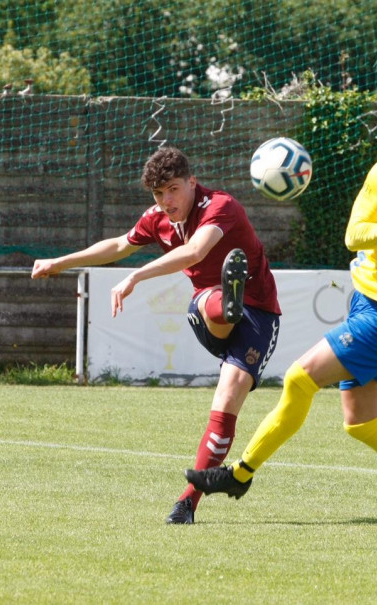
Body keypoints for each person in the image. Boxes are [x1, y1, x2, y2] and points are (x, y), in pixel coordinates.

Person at [186, 119, 377, 549]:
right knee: (362, 423)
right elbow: (354, 236)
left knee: (299, 378)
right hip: (367, 305)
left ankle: (240, 475)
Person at [32, 146, 281, 525]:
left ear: (192, 183)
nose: (167, 201)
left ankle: (187, 504)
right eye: (159, 193)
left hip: (260, 314)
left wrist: (135, 275)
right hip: (209, 312)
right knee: (210, 300)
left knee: (227, 399)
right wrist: (60, 262)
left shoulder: (221, 206)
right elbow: (118, 245)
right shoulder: (157, 218)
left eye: (174, 189)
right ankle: (224, 304)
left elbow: (196, 252)